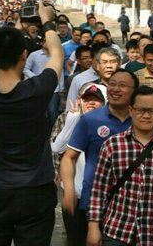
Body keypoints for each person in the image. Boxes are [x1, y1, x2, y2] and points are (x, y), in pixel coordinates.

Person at [0, 2, 64, 246]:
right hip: (36, 192)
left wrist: (15, 27)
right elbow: (57, 54)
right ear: (24, 55)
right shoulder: (37, 90)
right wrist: (45, 19)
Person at [87, 86, 153, 246]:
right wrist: (93, 227)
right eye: (141, 110)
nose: (146, 116)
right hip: (117, 232)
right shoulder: (112, 145)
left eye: (152, 111)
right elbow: (99, 190)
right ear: (131, 110)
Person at [60, 69, 138, 245]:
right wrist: (69, 189)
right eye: (112, 84)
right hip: (94, 204)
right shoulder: (90, 120)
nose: (115, 89)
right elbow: (69, 158)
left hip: (130, 206)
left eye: (122, 85)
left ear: (135, 91)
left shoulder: (141, 120)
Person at [51, 83, 107, 246]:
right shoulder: (69, 118)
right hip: (74, 195)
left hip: (101, 197)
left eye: (96, 100)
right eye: (87, 99)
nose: (91, 103)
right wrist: (72, 120)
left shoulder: (109, 123)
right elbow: (56, 148)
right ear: (80, 101)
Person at [23, 36, 67, 131]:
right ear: (42, 42)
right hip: (37, 87)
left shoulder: (55, 57)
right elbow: (25, 68)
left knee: (52, 113)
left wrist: (61, 88)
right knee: (39, 112)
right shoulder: (34, 55)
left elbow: (60, 72)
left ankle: (52, 133)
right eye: (46, 41)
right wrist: (36, 77)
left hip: (54, 89)